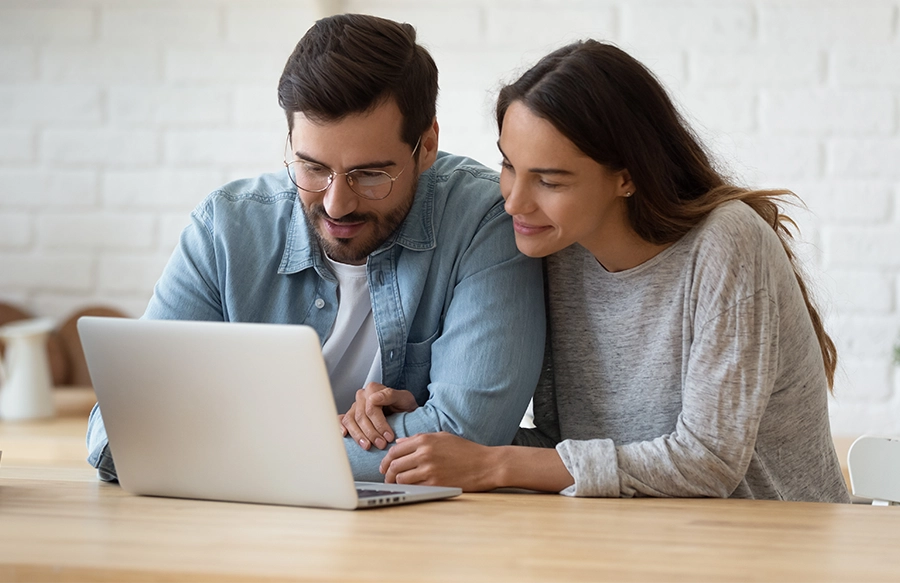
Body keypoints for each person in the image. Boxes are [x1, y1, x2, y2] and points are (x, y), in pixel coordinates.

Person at [369, 40, 850, 502]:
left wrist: (495, 465)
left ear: (626, 176)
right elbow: (575, 453)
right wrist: (442, 435)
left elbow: (708, 460)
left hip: (777, 546)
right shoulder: (558, 250)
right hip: (643, 541)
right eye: (510, 166)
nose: (512, 201)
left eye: (550, 180)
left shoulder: (726, 243)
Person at [85, 14, 545, 483]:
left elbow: (469, 436)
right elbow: (117, 432)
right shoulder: (225, 229)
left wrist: (224, 446)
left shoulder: (484, 220)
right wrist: (323, 439)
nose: (337, 204)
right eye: (312, 167)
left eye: (369, 175)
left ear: (426, 146)